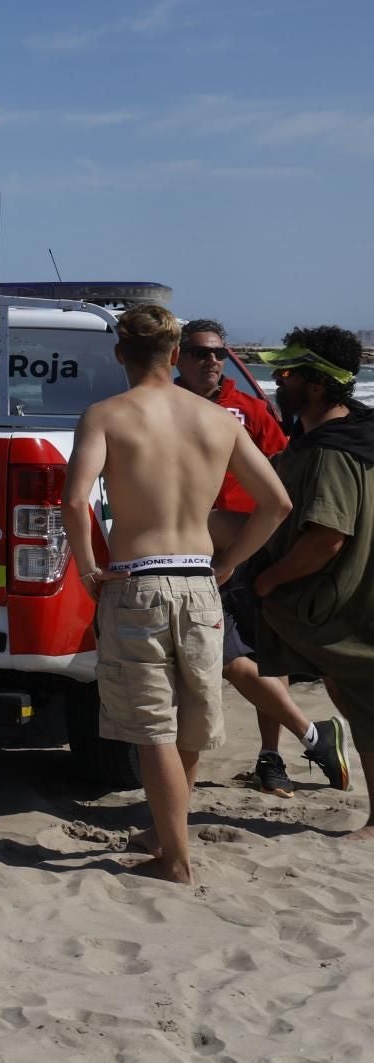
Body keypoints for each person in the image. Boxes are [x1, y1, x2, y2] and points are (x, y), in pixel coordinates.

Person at [63, 304, 291, 884]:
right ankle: (168, 834)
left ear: (120, 354)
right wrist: (231, 563)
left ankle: (175, 860)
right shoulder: (220, 421)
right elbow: (277, 504)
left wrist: (91, 569)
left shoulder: (107, 415)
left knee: (151, 729)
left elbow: (74, 501)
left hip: (139, 579)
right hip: (198, 579)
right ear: (174, 356)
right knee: (189, 720)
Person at [175, 318, 348, 797]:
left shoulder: (246, 408)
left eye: (219, 354)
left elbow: (283, 468)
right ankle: (312, 736)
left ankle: (270, 757)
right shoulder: (165, 406)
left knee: (263, 656)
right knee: (229, 660)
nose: (212, 361)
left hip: (248, 547)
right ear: (178, 358)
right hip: (188, 551)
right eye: (200, 353)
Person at [250, 326, 374, 838]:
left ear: (317, 385)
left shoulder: (332, 451)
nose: (276, 382)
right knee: (353, 701)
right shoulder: (358, 432)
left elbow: (327, 537)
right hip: (351, 603)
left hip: (345, 607)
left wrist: (267, 580)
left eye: (286, 373)